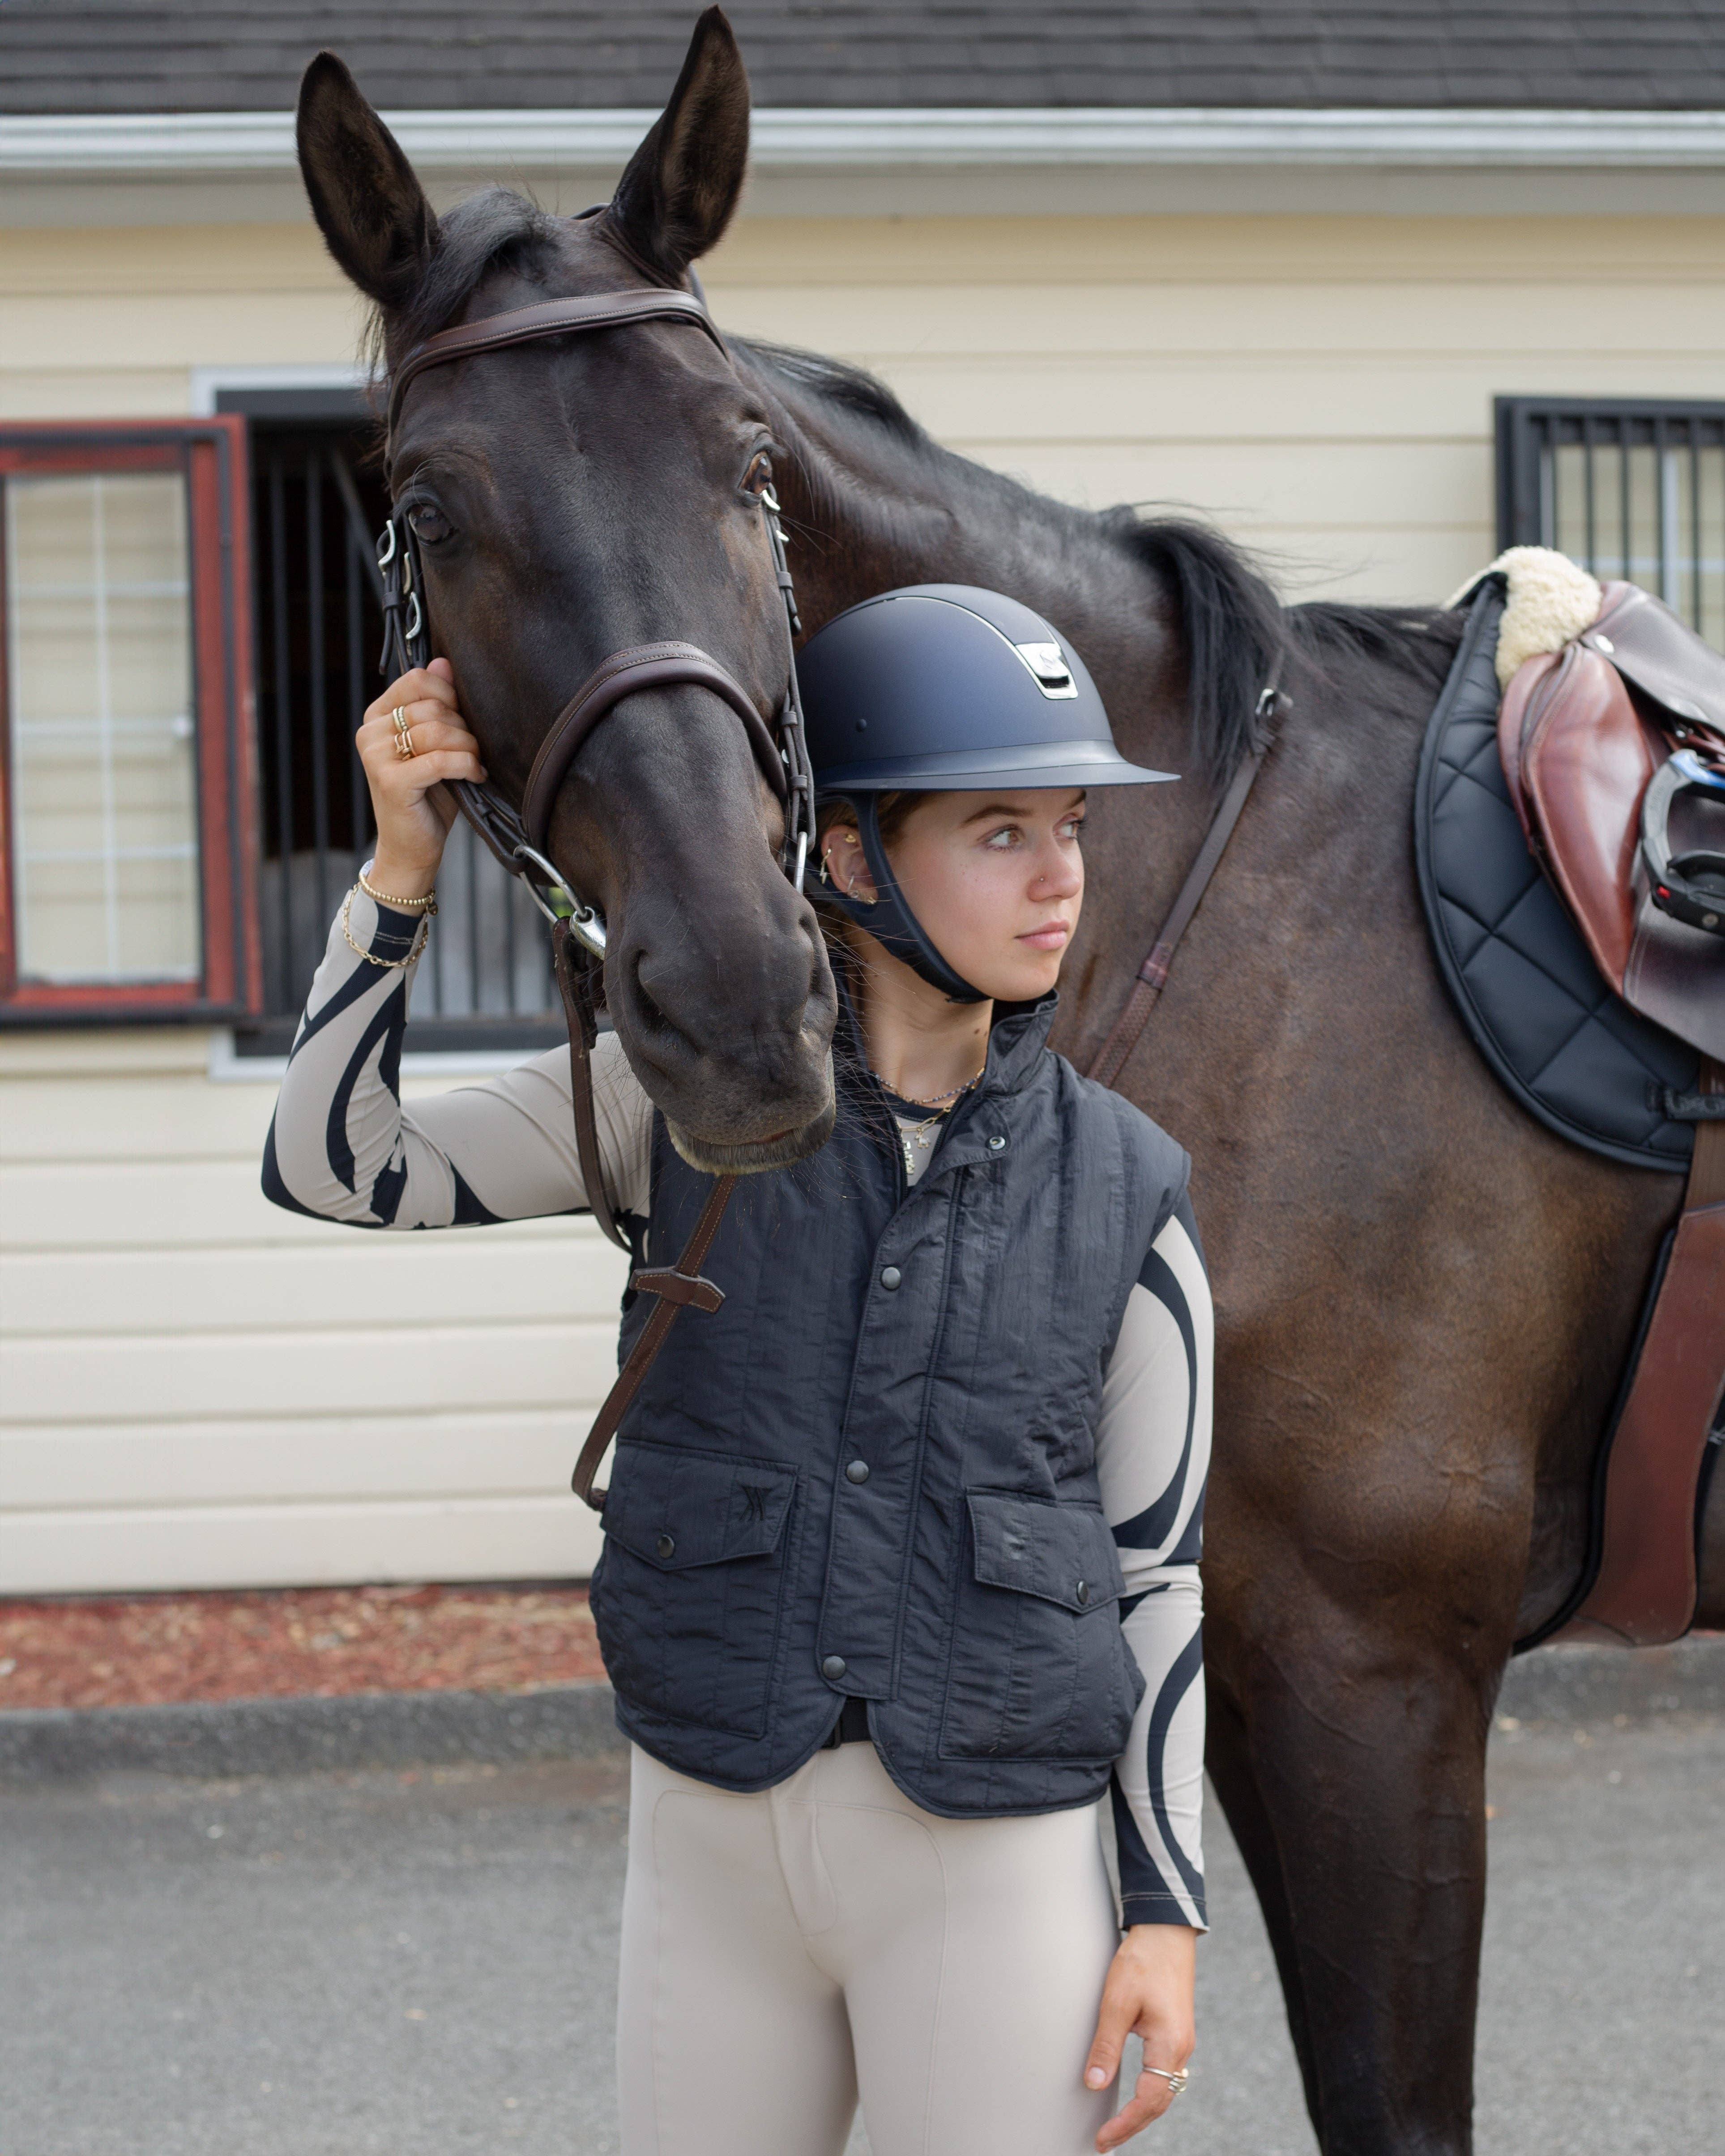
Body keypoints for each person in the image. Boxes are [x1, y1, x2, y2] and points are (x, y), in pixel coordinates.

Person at [265, 584, 1212, 2156]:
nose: (1062, 878)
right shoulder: (671, 1109)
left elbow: (1159, 1575)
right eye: (1002, 833)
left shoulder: (1135, 1186)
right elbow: (333, 1164)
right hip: (707, 1846)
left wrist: (1166, 1911)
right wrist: (399, 872)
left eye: (1071, 829)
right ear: (852, 855)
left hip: (998, 1865)